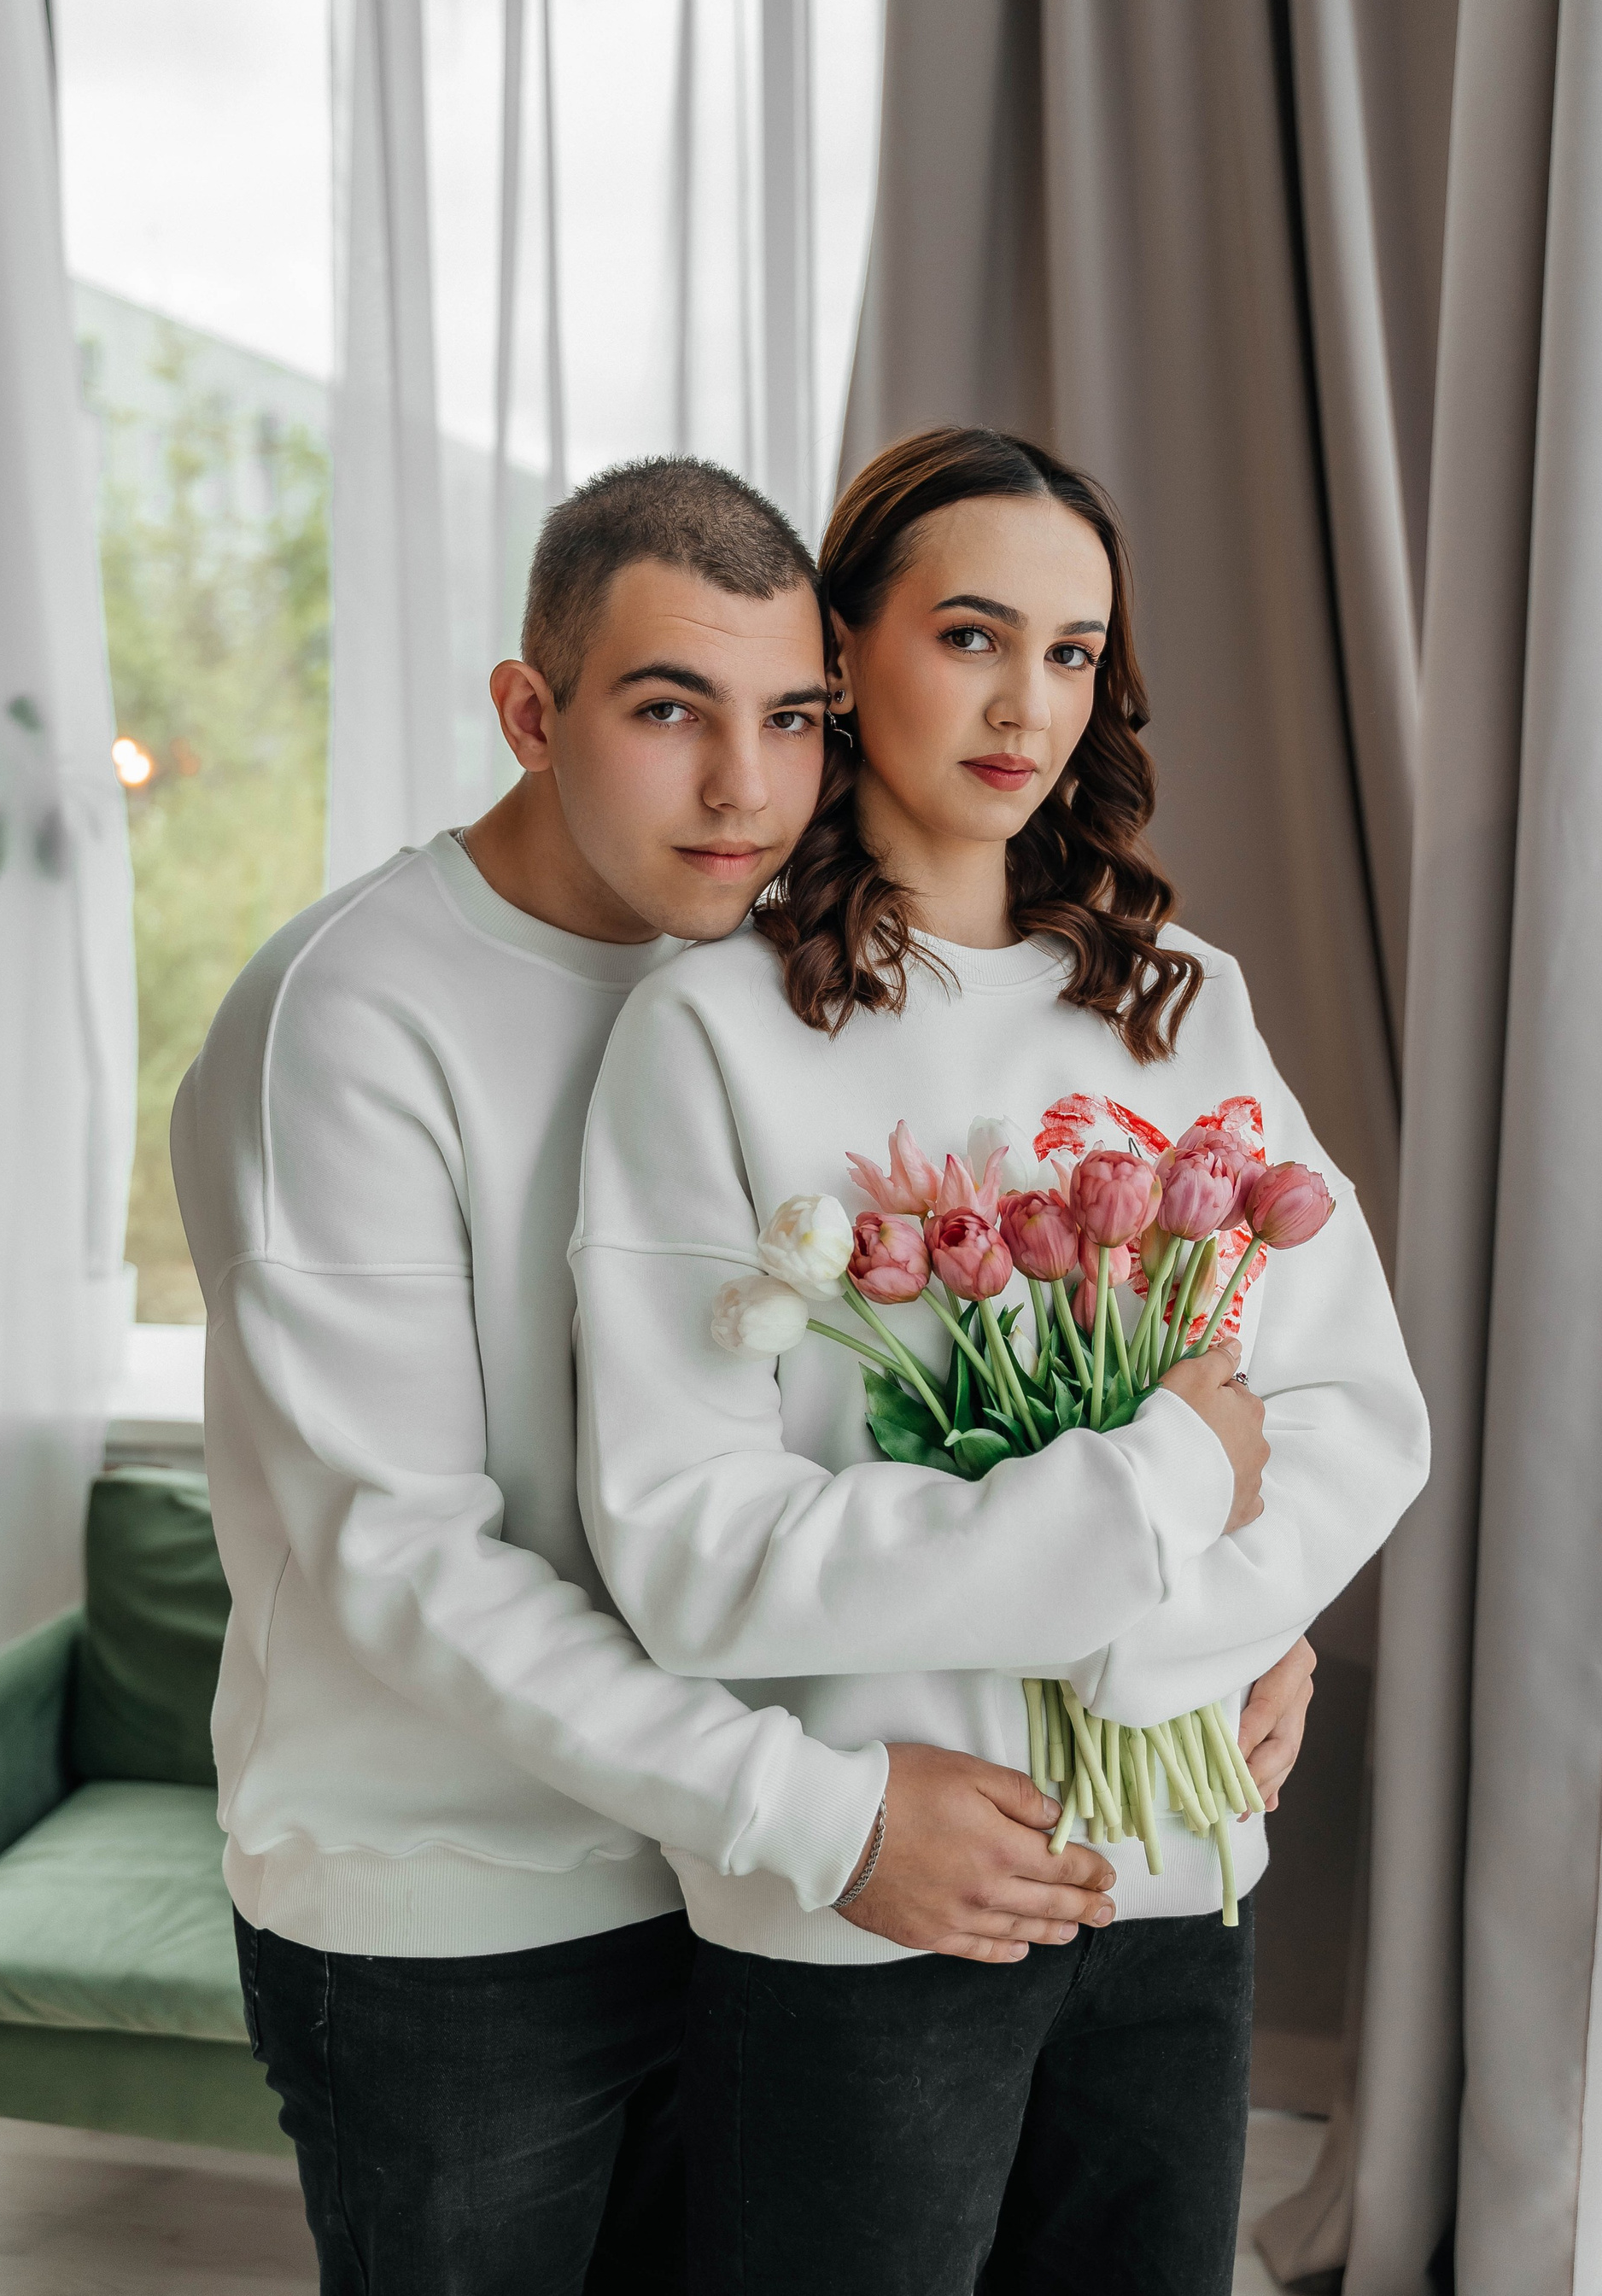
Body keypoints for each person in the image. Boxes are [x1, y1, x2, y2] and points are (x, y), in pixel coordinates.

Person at [172, 457, 1181, 2296]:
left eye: (791, 717)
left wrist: (1200, 1598)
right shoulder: (348, 1019)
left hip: (745, 1884)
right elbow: (405, 1556)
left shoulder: (790, 978)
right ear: (529, 713)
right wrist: (827, 1814)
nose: (745, 787)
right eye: (666, 711)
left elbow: (907, 1407)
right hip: (471, 1916)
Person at [571, 427, 1429, 2296]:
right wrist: (1149, 1518)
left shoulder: (1184, 1002)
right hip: (880, 1908)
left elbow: (1357, 1413)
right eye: (971, 635)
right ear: (845, 648)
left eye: (1072, 652)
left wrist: (1195, 1650)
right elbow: (692, 1549)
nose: (1027, 703)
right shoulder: (708, 1036)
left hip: (1176, 1869)